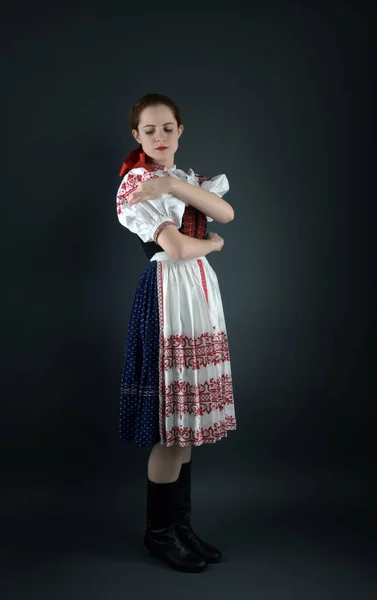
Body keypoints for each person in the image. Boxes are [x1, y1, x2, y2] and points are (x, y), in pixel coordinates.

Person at [116, 93, 237, 573]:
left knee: (186, 429)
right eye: (150, 131)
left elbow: (225, 213)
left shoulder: (178, 179)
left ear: (180, 130)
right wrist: (211, 244)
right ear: (137, 137)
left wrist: (173, 183)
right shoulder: (136, 182)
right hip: (168, 290)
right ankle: (159, 533)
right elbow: (177, 247)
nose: (160, 137)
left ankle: (180, 526)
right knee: (172, 425)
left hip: (198, 292)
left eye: (168, 128)